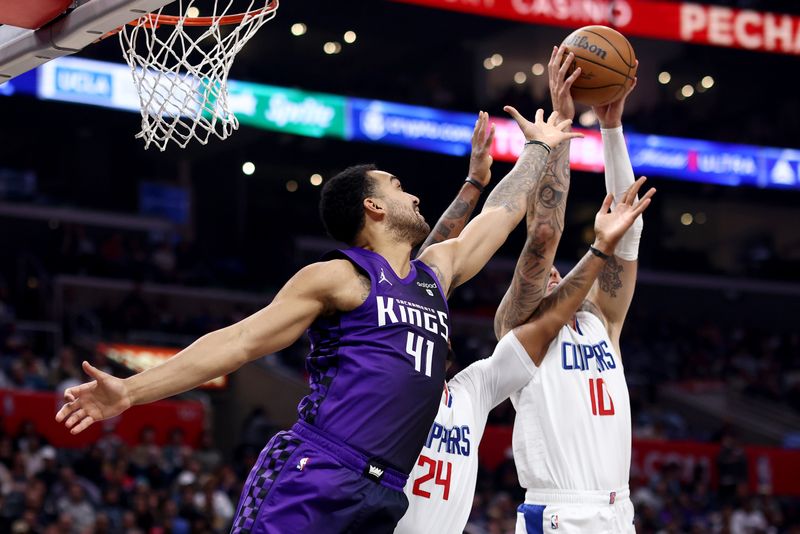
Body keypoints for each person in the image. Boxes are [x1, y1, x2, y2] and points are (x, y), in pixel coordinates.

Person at [56, 108, 581, 532]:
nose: (414, 193)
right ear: (373, 206)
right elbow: (239, 342)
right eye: (399, 185)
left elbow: (504, 212)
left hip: (385, 491)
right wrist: (130, 392)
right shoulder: (339, 278)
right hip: (317, 472)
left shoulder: (435, 274)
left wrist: (537, 149)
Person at [395, 46, 582, 534]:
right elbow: (426, 274)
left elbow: (543, 237)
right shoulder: (388, 378)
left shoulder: (471, 390)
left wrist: (557, 134)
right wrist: (475, 185)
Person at [507, 55, 653, 533]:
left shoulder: (601, 324)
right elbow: (543, 233)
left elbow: (627, 225)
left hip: (618, 509)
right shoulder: (520, 330)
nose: (552, 274)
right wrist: (562, 126)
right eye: (544, 272)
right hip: (560, 512)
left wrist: (612, 130)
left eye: (556, 272)